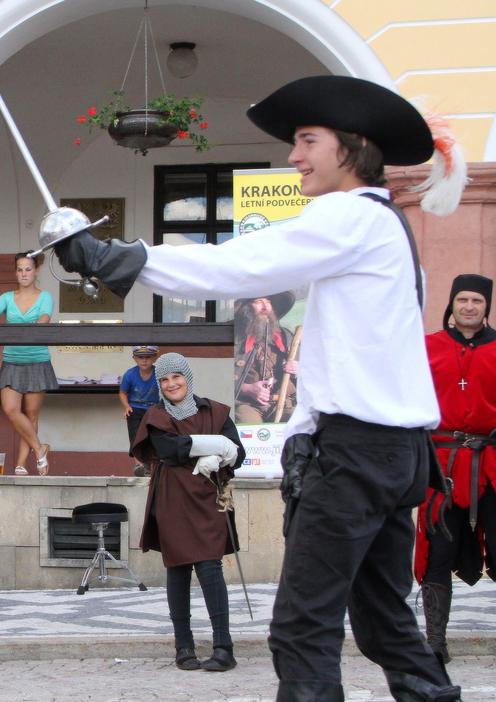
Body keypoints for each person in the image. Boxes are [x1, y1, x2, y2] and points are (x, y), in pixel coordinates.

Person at [55, 75, 465, 701]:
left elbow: (240, 265)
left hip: (356, 455)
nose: (294, 156)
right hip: (395, 453)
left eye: (308, 140)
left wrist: (120, 258)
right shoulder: (384, 224)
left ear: (353, 146)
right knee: (385, 624)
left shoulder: (351, 214)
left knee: (302, 630)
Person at [131, 353, 244, 673]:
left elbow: (238, 453)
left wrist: (221, 455)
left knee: (210, 567)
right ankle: (184, 646)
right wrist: (217, 445)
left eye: (176, 377)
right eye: (164, 379)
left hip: (207, 499)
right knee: (179, 568)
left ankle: (224, 647)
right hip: (173, 499)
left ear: (187, 377)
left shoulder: (215, 411)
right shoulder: (156, 415)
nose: (171, 384)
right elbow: (171, 450)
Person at [415, 273, 496, 666]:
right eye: (463, 299)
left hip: (492, 462)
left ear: (486, 307)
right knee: (438, 550)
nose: (469, 307)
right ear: (452, 304)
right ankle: (435, 641)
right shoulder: (428, 347)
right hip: (442, 465)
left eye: (477, 301)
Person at [0, 251, 56, 475]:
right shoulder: (7, 297)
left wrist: (36, 327)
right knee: (11, 409)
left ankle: (21, 464)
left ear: (35, 271)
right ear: (15, 273)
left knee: (31, 415)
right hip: (12, 360)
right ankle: (39, 449)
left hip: (37, 360)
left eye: (28, 269)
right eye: (20, 270)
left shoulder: (45, 296)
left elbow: (45, 317)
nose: (24, 273)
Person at [233, 293, 299, 424]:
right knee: (248, 423)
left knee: (302, 423)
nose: (265, 307)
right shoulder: (234, 338)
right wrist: (247, 389)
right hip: (249, 405)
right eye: (258, 301)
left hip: (286, 404)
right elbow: (217, 379)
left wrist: (299, 369)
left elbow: (313, 373)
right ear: (245, 308)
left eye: (268, 302)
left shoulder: (287, 337)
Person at [119, 345, 159, 476]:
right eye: (140, 357)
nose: (144, 360)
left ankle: (151, 464)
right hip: (135, 408)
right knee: (135, 436)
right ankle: (139, 465)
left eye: (148, 357)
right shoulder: (130, 374)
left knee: (153, 436)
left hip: (153, 408)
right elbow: (123, 393)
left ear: (155, 358)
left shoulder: (159, 373)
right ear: (134, 358)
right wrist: (127, 406)